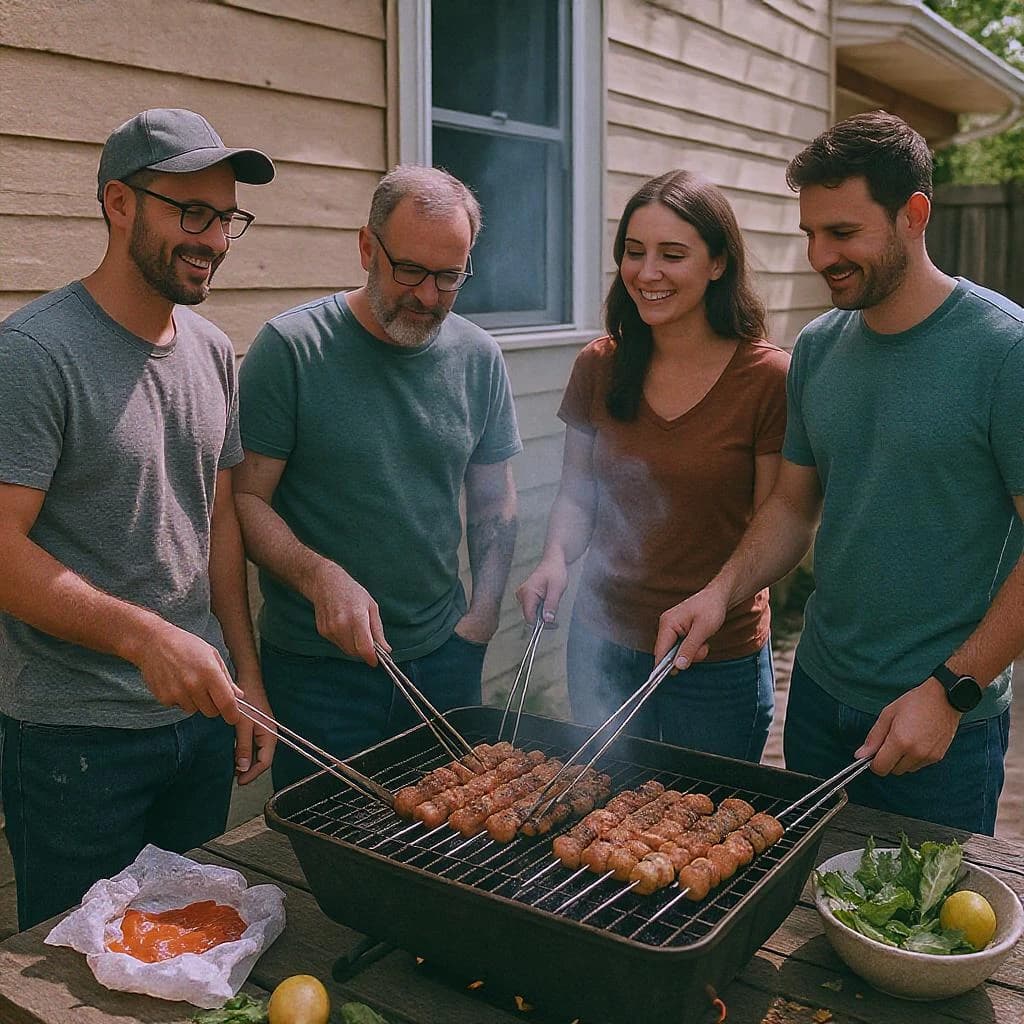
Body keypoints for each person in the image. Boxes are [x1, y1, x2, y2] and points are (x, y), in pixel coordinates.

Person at [655, 111, 1024, 835]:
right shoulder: (820, 348)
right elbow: (793, 507)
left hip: (940, 718)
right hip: (819, 698)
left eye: (843, 233)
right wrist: (720, 593)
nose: (821, 255)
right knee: (810, 916)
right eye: (810, 234)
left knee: (922, 930)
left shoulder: (1003, 352)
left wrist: (951, 692)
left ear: (913, 215)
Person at [0, 107, 278, 929]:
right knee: (73, 982)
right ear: (119, 203)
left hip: (197, 723)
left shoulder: (210, 349)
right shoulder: (34, 354)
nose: (215, 239)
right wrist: (142, 636)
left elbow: (218, 523)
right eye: (190, 212)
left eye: (226, 217)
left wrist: (245, 674)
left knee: (187, 953)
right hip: (73, 742)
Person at [235, 165, 521, 790]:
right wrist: (319, 576)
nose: (427, 296)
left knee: (454, 850)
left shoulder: (479, 358)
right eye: (410, 271)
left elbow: (495, 504)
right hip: (319, 674)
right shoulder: (290, 349)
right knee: (335, 853)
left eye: (449, 278)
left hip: (446, 656)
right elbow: (246, 502)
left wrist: (482, 619)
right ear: (367, 247)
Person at [516, 170, 788, 760]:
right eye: (634, 254)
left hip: (715, 655)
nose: (647, 273)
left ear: (718, 263)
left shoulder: (766, 378)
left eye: (672, 255)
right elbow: (576, 496)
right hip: (603, 640)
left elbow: (777, 520)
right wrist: (554, 559)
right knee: (608, 815)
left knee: (706, 831)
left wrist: (717, 599)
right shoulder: (600, 365)